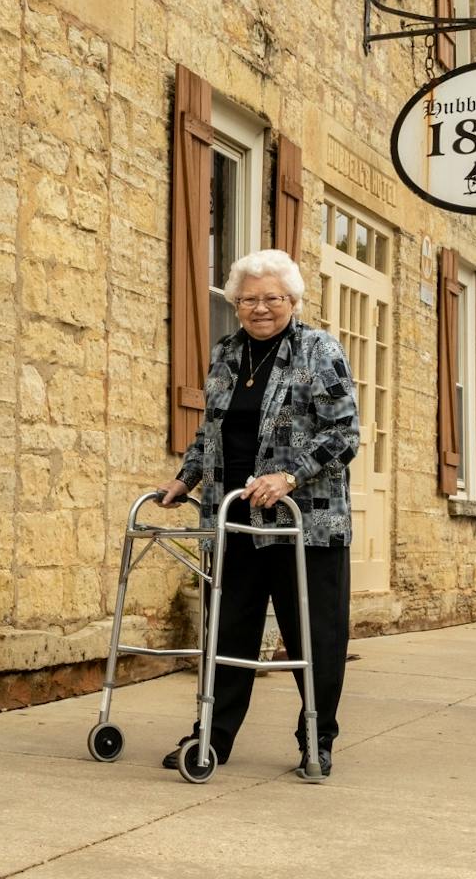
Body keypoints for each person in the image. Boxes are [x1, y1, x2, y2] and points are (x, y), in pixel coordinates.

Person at [155, 248, 360, 777]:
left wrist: (288, 475)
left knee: (314, 635)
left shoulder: (320, 351)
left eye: (272, 298)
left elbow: (344, 435)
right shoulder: (226, 353)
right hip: (234, 519)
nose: (260, 308)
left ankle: (317, 738)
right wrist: (185, 479)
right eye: (249, 299)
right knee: (226, 632)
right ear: (235, 303)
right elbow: (211, 432)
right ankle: (212, 737)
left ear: (292, 299)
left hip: (304, 522)